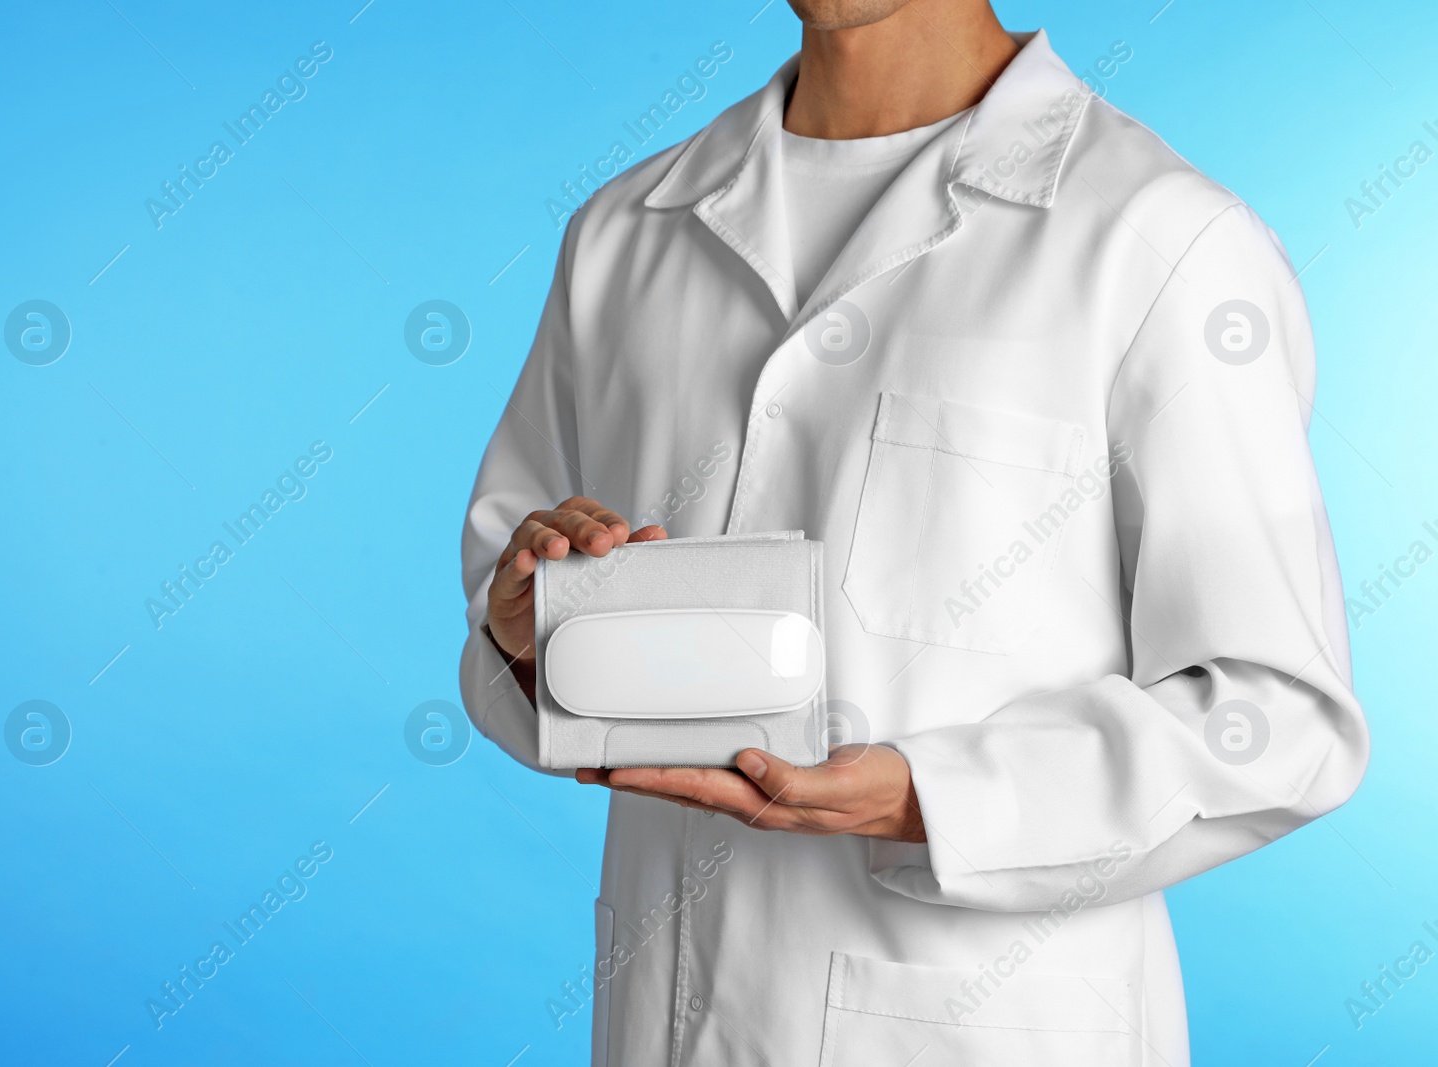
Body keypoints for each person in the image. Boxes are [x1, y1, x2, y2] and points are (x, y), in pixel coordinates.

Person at [458, 0, 1369, 1063]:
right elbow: (513, 611)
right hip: (668, 1011)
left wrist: (926, 798)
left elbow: (1275, 714)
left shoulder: (1157, 237)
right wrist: (535, 633)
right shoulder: (625, 232)